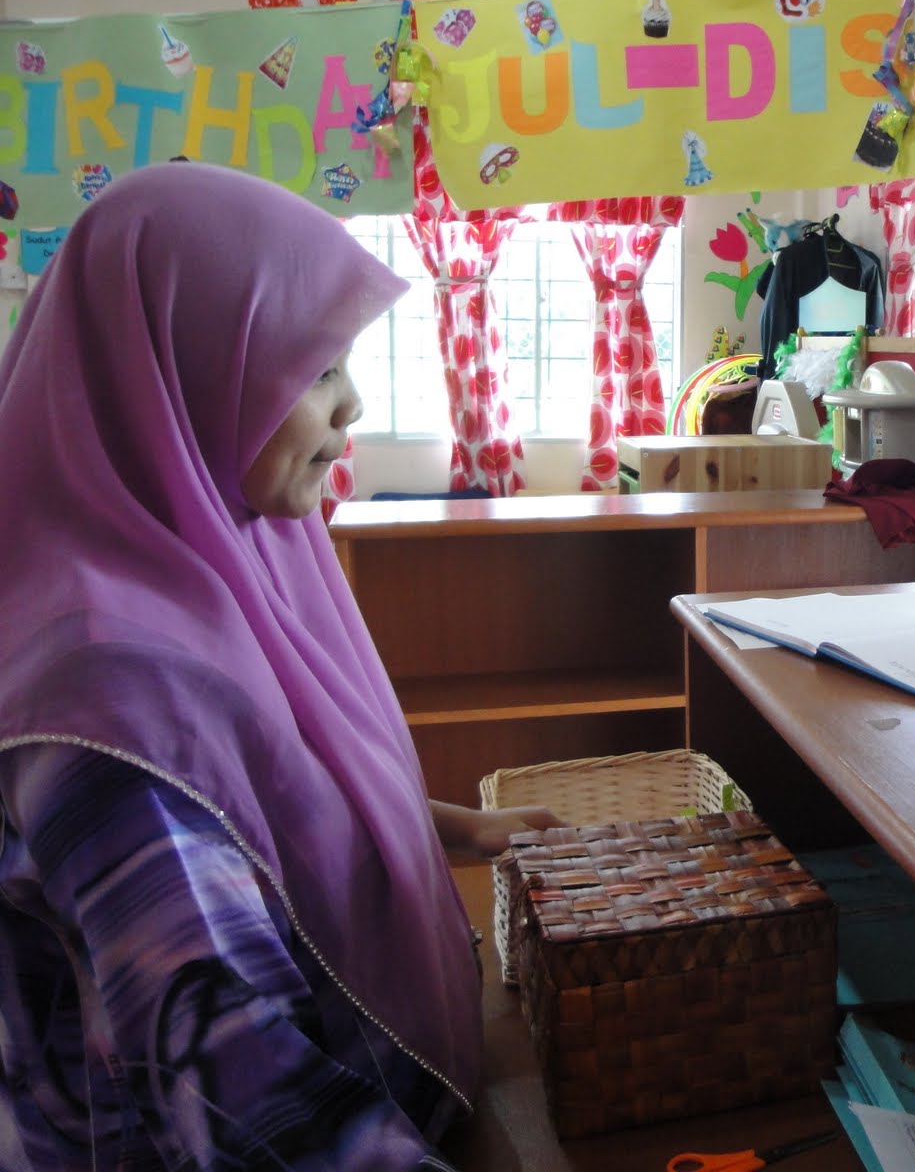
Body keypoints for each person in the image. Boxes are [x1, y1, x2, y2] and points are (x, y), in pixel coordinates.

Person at [0, 162, 560, 1168]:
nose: (349, 408)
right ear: (179, 375)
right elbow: (243, 1093)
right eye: (313, 369)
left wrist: (455, 827)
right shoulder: (107, 693)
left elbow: (258, 793)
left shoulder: (217, 555)